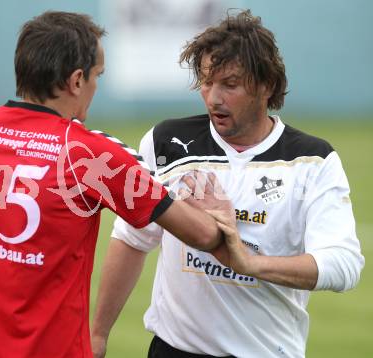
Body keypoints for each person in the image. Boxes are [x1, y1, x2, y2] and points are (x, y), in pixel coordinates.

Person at [0, 11, 232, 358]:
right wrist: (218, 214)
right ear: (76, 80)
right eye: (96, 77)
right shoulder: (91, 155)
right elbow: (203, 236)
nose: (94, 87)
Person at [91, 9, 365, 358]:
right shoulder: (166, 143)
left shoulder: (313, 161)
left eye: (230, 85)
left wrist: (248, 263)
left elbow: (343, 264)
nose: (212, 98)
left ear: (266, 85)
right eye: (206, 82)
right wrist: (98, 334)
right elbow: (131, 239)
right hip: (173, 350)